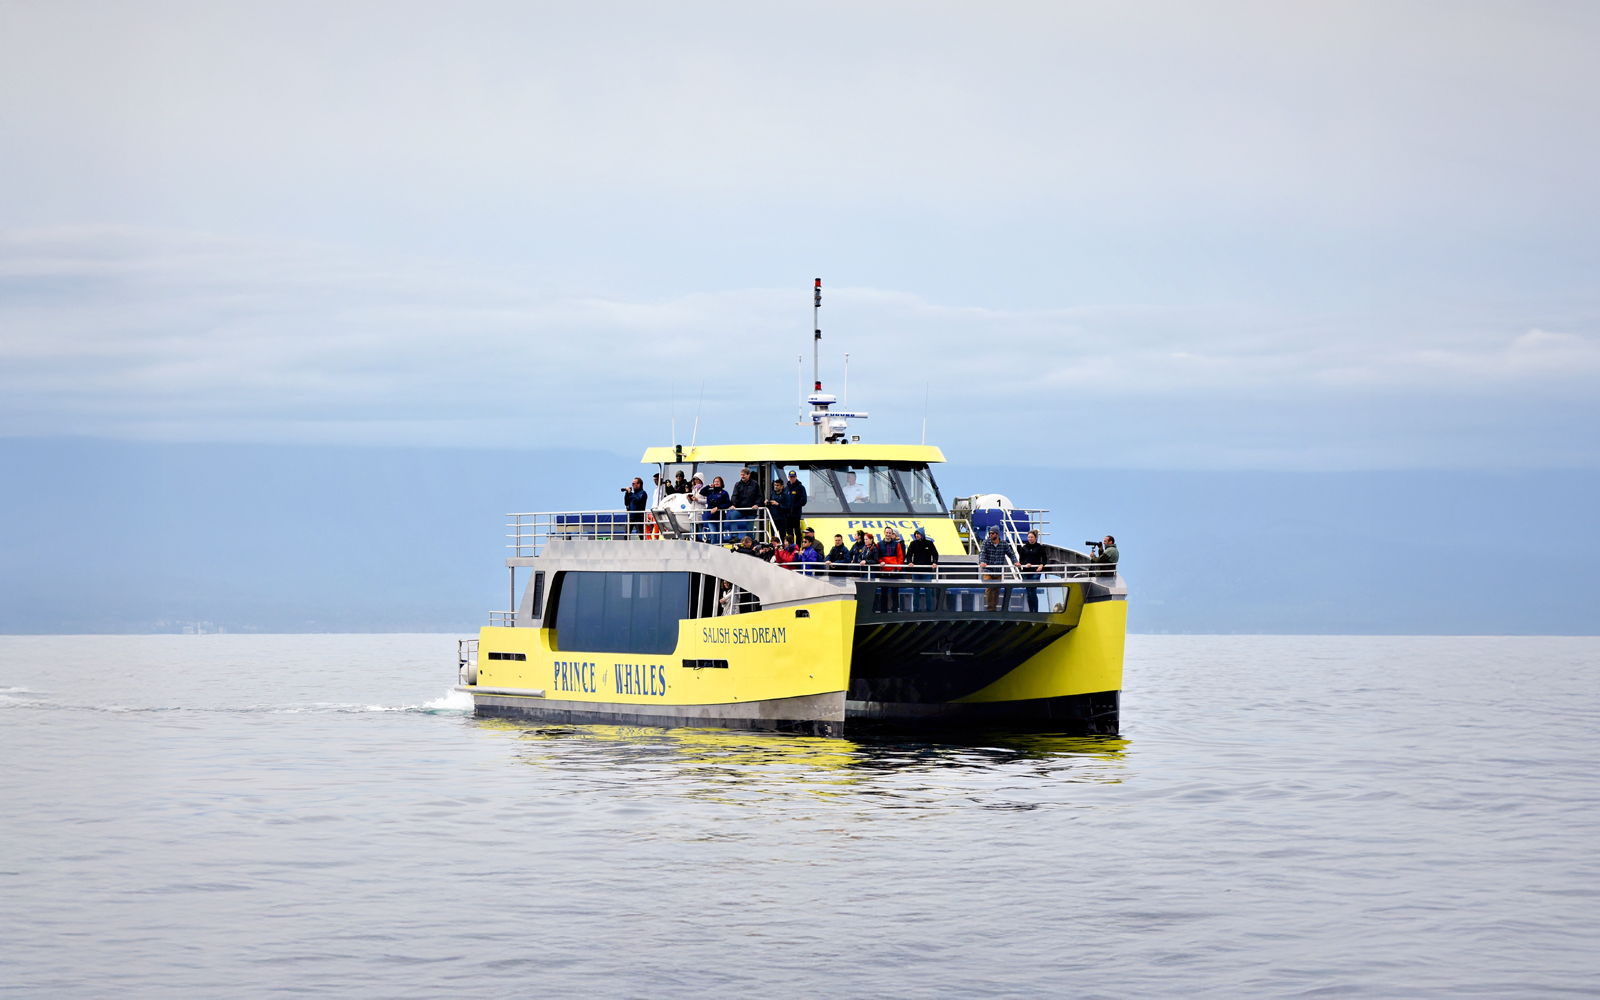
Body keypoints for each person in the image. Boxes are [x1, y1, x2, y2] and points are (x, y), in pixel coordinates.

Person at [979, 526, 1011, 611]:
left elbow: (1010, 554)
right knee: (989, 588)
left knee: (997, 590)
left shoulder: (1004, 544)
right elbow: (982, 553)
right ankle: (991, 608)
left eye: (992, 533)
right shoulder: (986, 543)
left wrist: (1015, 562)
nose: (991, 535)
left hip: (998, 571)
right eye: (990, 533)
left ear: (997, 534)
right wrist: (982, 562)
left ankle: (994, 607)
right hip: (988, 570)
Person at [907, 526, 939, 610]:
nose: (916, 535)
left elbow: (935, 554)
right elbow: (909, 554)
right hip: (916, 571)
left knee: (928, 591)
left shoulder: (929, 543)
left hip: (927, 571)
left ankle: (929, 610)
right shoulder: (913, 544)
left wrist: (934, 562)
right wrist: (909, 562)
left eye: (918, 534)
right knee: (916, 591)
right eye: (915, 534)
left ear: (922, 534)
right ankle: (915, 610)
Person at [878, 525, 906, 612]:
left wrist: (898, 568)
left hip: (894, 572)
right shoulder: (879, 544)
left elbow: (900, 557)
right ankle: (883, 610)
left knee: (895, 593)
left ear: (892, 534)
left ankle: (895, 610)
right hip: (883, 572)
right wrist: (880, 562)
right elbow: (877, 556)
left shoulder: (897, 544)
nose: (888, 534)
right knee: (884, 592)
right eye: (887, 533)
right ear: (884, 533)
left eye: (890, 533)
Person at [1018, 528, 1046, 612]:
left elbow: (1044, 559)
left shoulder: (1040, 547)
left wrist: (1041, 565)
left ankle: (1035, 610)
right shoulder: (1024, 548)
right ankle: (1031, 610)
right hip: (1026, 572)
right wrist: (1025, 564)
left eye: (1032, 537)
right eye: (1029, 537)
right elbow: (1021, 560)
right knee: (1028, 592)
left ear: (1035, 537)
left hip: (1035, 571)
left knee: (1032, 590)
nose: (1030, 539)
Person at [776, 469, 807, 544]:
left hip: (796, 513)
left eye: (793, 477)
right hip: (787, 514)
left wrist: (795, 507)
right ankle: (791, 546)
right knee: (789, 531)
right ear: (788, 477)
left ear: (796, 477)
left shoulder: (800, 487)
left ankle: (798, 546)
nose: (792, 478)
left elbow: (803, 500)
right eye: (791, 477)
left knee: (797, 531)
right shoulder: (786, 488)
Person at [730, 467, 761, 542]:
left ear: (748, 475)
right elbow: (734, 495)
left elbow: (759, 496)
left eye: (743, 475)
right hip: (740, 509)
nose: (742, 476)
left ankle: (749, 542)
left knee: (749, 528)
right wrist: (733, 504)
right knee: (732, 517)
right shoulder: (738, 484)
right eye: (741, 475)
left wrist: (757, 504)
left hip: (751, 510)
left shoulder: (755, 484)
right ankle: (734, 537)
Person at [701, 476, 732, 543]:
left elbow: (728, 503)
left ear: (721, 483)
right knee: (713, 534)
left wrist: (718, 507)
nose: (716, 483)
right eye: (715, 481)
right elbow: (702, 492)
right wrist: (708, 486)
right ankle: (713, 547)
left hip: (720, 516)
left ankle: (721, 546)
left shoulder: (724, 493)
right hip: (711, 516)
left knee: (720, 534)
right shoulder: (710, 491)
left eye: (718, 482)